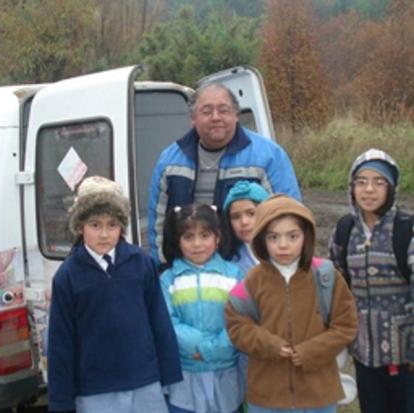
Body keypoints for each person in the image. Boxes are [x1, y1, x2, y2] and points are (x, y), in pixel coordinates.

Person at [47, 176, 183, 413]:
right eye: (95, 225)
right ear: (80, 226)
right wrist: (61, 402)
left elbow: (159, 322)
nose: (104, 234)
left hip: (145, 383)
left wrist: (169, 376)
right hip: (95, 390)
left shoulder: (141, 263)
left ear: (122, 226)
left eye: (112, 225)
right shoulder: (67, 276)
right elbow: (61, 343)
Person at [225, 194, 358, 413]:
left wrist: (310, 351)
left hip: (319, 394)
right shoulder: (251, 281)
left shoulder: (326, 275)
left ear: (306, 236)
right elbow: (236, 325)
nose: (283, 245)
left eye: (292, 236)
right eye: (273, 237)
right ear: (261, 240)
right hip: (268, 396)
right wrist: (270, 345)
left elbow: (346, 325)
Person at [148, 82, 301, 266]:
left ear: (236, 115)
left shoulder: (268, 156)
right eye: (206, 111)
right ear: (193, 118)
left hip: (247, 272)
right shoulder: (169, 161)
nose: (216, 117)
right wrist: (164, 267)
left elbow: (288, 218)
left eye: (224, 110)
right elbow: (158, 223)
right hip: (186, 272)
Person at [328, 149, 414, 413]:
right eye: (361, 182)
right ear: (352, 187)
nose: (369, 190)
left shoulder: (406, 229)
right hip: (365, 355)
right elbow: (335, 284)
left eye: (379, 182)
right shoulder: (345, 230)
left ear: (391, 188)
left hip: (406, 359)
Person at [160, 203, 244, 413]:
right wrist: (198, 346)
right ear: (178, 242)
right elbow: (167, 321)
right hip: (185, 374)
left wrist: (211, 349)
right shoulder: (168, 279)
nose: (197, 244)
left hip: (225, 373)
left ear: (218, 238)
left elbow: (243, 320)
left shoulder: (235, 275)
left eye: (205, 235)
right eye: (188, 237)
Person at [220, 180, 270, 273]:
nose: (244, 222)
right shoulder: (229, 262)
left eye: (251, 213)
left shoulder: (286, 250)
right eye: (236, 217)